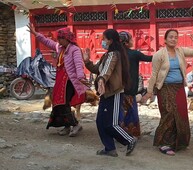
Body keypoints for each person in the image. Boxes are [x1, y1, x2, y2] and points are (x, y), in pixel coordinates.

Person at [142, 29, 193, 156]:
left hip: (179, 87)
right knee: (169, 113)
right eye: (171, 37)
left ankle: (179, 142)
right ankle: (164, 143)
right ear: (165, 39)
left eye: (176, 37)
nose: (173, 39)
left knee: (181, 113)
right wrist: (149, 92)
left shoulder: (180, 51)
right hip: (165, 88)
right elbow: (154, 74)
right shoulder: (159, 55)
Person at [27, 24, 88, 137]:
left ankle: (76, 125)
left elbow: (78, 64)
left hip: (69, 81)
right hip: (60, 80)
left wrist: (81, 77)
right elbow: (48, 42)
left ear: (67, 38)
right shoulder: (60, 47)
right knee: (58, 102)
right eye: (58, 38)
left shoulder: (75, 50)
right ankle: (66, 125)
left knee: (65, 102)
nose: (58, 40)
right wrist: (36, 34)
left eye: (61, 38)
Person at [83, 29, 137, 157]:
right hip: (106, 93)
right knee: (100, 122)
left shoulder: (114, 55)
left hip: (114, 93)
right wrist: (87, 61)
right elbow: (98, 69)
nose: (102, 41)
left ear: (110, 40)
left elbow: (107, 70)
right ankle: (109, 148)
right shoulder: (107, 55)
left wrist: (101, 79)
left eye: (104, 39)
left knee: (111, 124)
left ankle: (130, 140)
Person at [118, 31, 152, 137]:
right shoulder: (134, 54)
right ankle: (132, 133)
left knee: (119, 112)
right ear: (126, 43)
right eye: (131, 39)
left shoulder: (114, 54)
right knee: (131, 112)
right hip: (130, 88)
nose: (133, 41)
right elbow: (150, 58)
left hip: (117, 89)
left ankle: (119, 133)